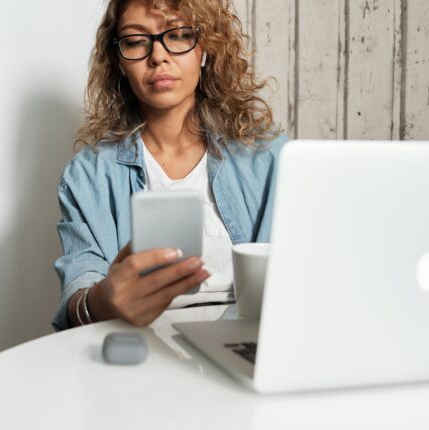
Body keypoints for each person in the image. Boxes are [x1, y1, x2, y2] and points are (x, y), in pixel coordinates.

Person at [52, 0, 287, 331]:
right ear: (118, 61)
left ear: (205, 49)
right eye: (135, 41)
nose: (158, 56)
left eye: (177, 35)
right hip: (140, 350)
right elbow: (79, 290)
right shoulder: (87, 176)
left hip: (245, 343)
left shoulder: (269, 156)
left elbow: (289, 281)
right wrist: (101, 302)